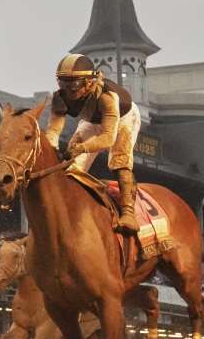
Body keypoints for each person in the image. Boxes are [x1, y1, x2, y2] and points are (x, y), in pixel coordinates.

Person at [45, 53, 143, 234]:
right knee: (72, 167)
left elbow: (107, 138)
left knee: (119, 161)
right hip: (91, 119)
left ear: (90, 82)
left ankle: (128, 212)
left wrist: (82, 148)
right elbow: (53, 132)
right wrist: (54, 151)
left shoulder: (108, 97)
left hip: (123, 118)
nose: (68, 90)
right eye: (63, 83)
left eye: (73, 84)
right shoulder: (60, 97)